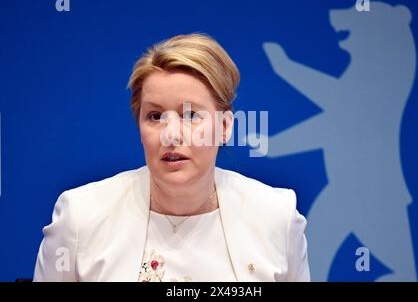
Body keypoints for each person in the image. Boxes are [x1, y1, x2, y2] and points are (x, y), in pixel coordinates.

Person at [33, 33, 310, 282]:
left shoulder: (277, 216)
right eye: (155, 116)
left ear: (225, 127)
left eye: (190, 115)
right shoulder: (81, 217)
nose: (170, 135)